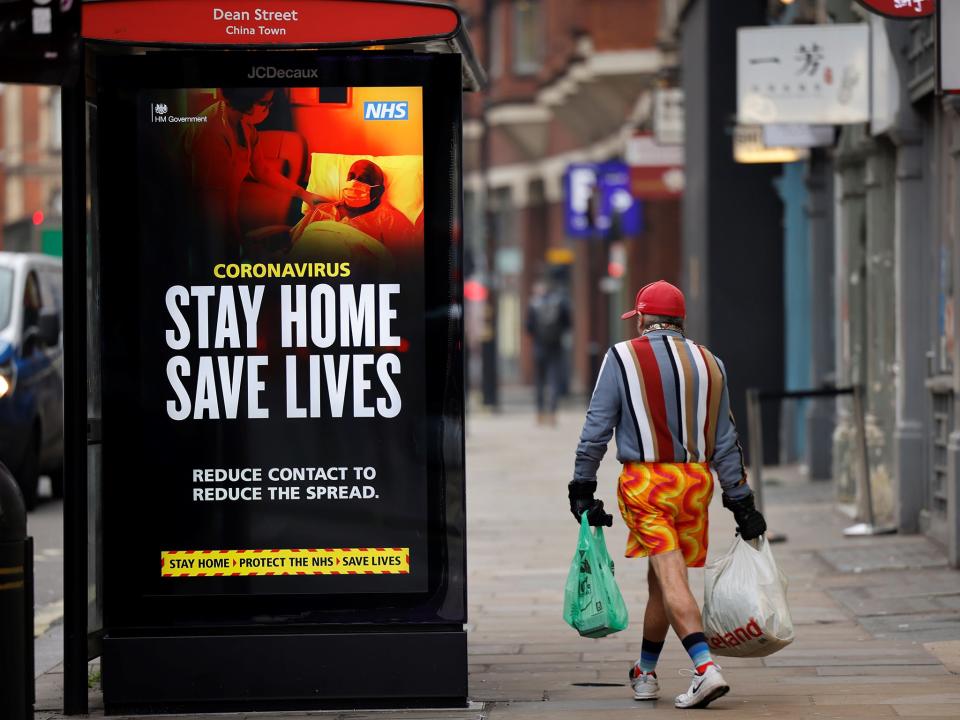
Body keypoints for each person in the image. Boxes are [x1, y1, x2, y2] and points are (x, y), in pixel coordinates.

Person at [568, 280, 766, 709]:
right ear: (680, 322)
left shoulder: (622, 356)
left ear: (641, 319)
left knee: (671, 576)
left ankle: (704, 669)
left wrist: (582, 485)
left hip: (647, 484)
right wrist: (741, 501)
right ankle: (645, 672)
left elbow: (596, 427)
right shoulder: (711, 362)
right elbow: (726, 439)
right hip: (695, 484)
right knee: (662, 580)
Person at [185, 88, 324, 258]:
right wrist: (238, 243)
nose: (268, 109)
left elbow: (262, 170)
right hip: (202, 223)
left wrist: (305, 195)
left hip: (226, 218)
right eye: (264, 103)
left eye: (270, 103)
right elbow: (214, 205)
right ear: (244, 99)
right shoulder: (210, 132)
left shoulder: (246, 127)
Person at [292, 159, 417, 252]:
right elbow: (292, 243)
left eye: (363, 179)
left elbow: (408, 265)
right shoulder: (323, 210)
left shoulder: (389, 220)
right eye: (351, 177)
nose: (353, 183)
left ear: (378, 191)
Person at [525, 279, 570, 425]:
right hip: (556, 346)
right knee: (554, 379)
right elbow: (568, 323)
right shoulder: (559, 302)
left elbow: (528, 327)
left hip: (539, 346)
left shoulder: (533, 304)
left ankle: (539, 413)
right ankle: (552, 413)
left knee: (539, 380)